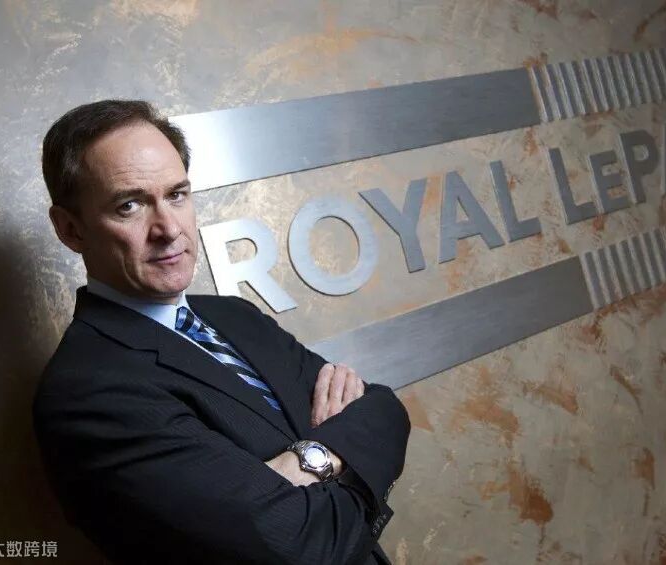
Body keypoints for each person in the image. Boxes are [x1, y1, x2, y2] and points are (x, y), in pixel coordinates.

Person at [32, 99, 411, 565]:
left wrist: (305, 462)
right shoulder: (85, 393)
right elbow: (299, 549)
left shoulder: (235, 315)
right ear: (71, 229)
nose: (169, 228)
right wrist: (344, 450)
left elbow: (383, 409)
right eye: (129, 205)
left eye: (177, 195)